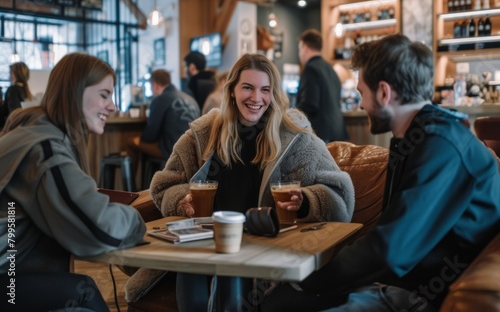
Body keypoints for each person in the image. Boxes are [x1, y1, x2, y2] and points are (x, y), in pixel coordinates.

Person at [262, 34, 500, 312]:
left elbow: (390, 249)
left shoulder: (442, 146)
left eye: (362, 92)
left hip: (422, 293)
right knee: (278, 302)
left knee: (283, 302)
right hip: (406, 280)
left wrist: (310, 280)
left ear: (384, 93)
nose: (361, 104)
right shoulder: (419, 136)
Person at [132, 53, 355, 311]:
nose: (256, 98)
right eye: (247, 87)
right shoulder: (202, 135)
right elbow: (163, 186)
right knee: (194, 299)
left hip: (264, 251)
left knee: (234, 299)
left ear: (274, 94)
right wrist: (183, 201)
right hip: (204, 248)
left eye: (265, 90)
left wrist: (306, 202)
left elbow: (341, 196)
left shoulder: (296, 137)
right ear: (231, 90)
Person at [0, 53, 147, 311]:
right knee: (83, 292)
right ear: (75, 92)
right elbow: (99, 230)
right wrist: (138, 220)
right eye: (104, 94)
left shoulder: (33, 130)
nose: (112, 106)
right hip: (8, 283)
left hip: (11, 273)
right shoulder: (45, 151)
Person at [128, 69, 200, 173]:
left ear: (155, 85)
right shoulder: (191, 99)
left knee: (131, 142)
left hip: (172, 150)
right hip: (194, 151)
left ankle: (131, 187)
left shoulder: (160, 99)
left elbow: (149, 136)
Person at [296, 29, 349, 143]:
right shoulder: (331, 69)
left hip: (321, 135)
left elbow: (309, 105)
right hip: (337, 132)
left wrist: (291, 116)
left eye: (299, 49)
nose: (299, 54)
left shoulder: (310, 69)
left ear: (304, 47)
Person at [0, 62, 33, 129]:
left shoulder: (13, 90)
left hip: (10, 130)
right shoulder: (25, 91)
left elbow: (14, 113)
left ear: (15, 75)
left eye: (11, 73)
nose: (10, 76)